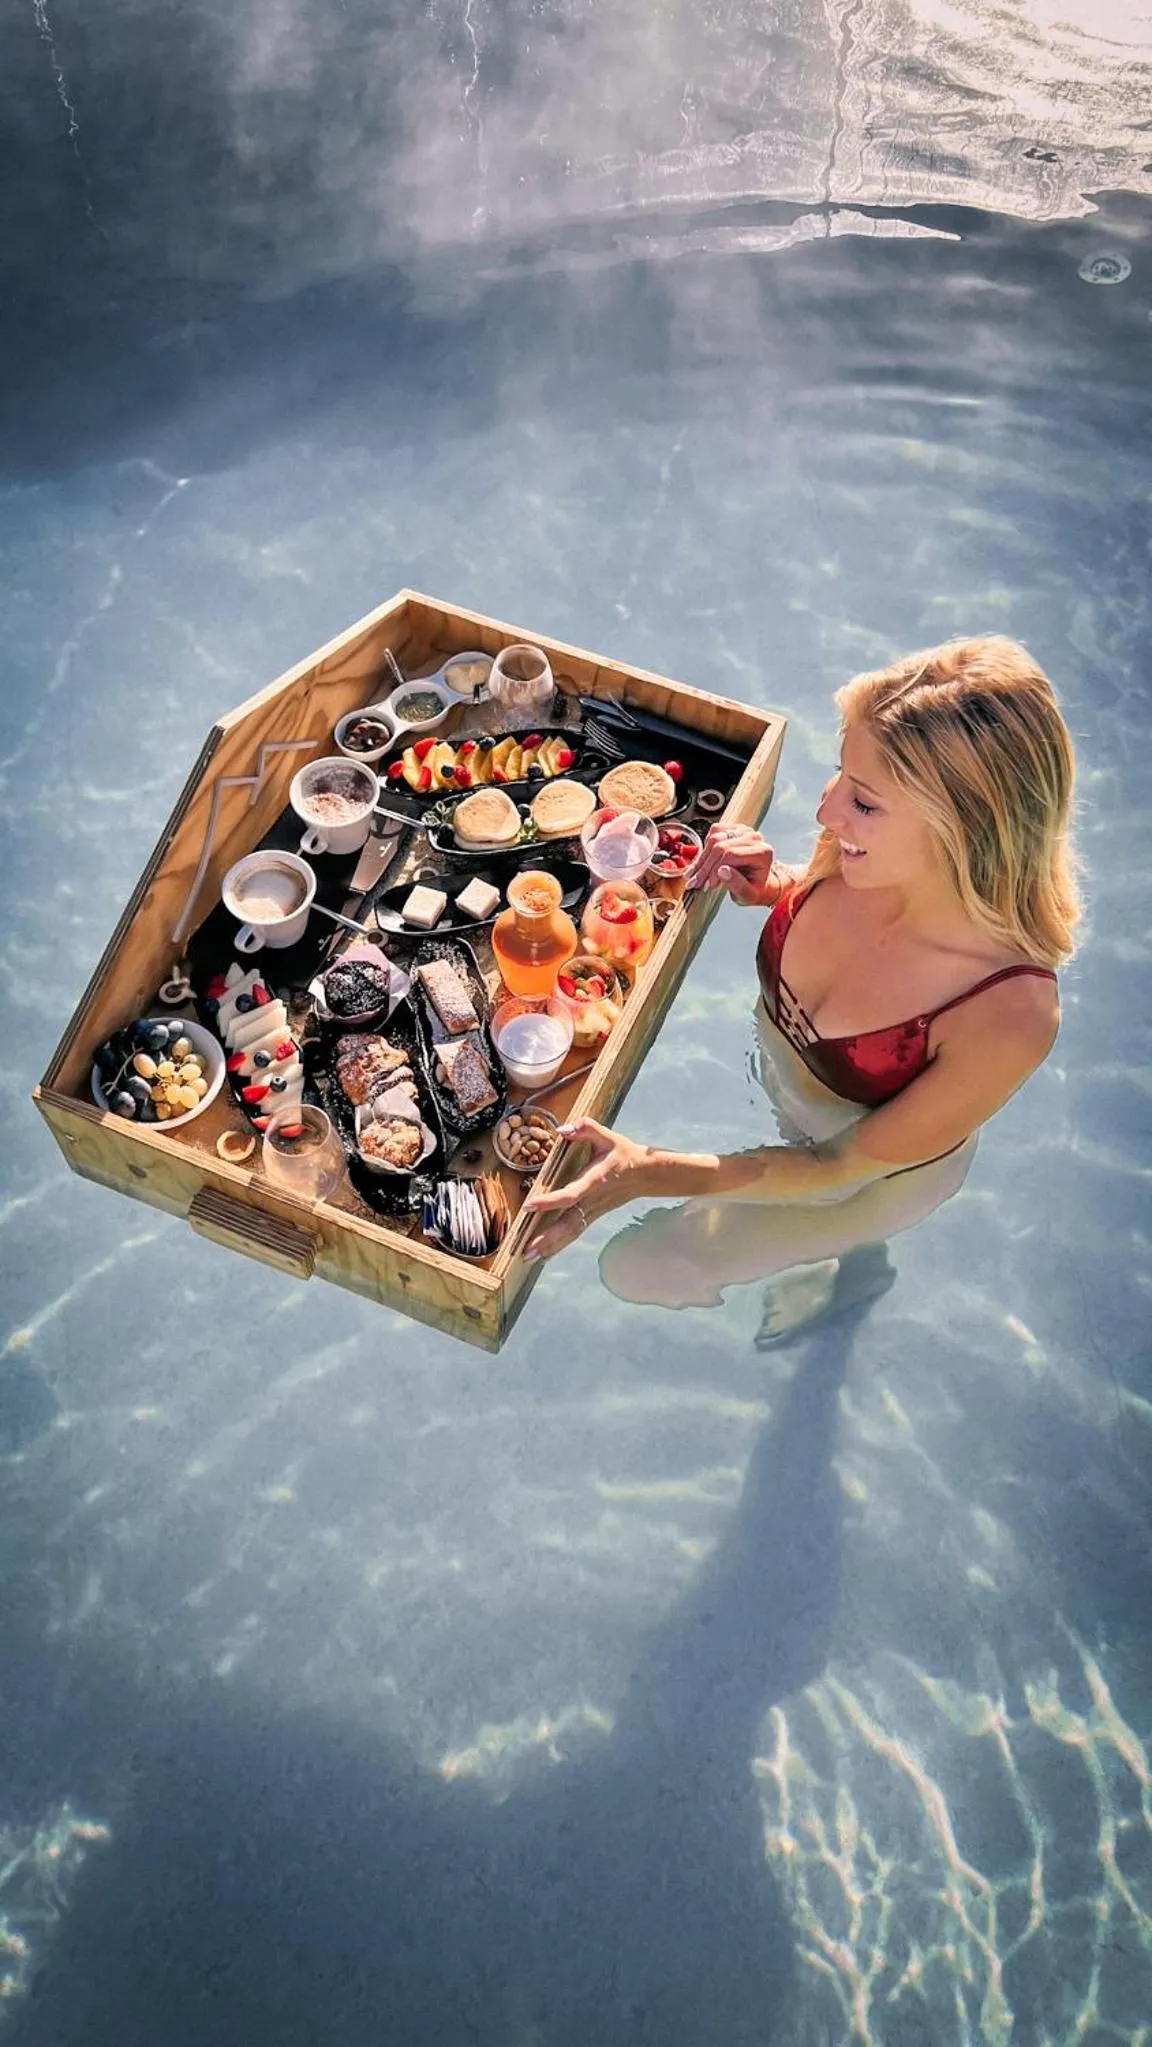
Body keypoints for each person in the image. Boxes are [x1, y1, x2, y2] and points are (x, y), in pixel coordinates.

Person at [523, 637, 1079, 1330]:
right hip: (792, 1104)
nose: (826, 813)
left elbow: (838, 1165)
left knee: (634, 1265)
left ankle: (859, 1275)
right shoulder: (861, 851)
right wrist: (778, 887)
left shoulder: (1012, 1010)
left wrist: (649, 1169)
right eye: (839, 775)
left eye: (865, 802)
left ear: (962, 830)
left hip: (862, 1177)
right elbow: (828, 898)